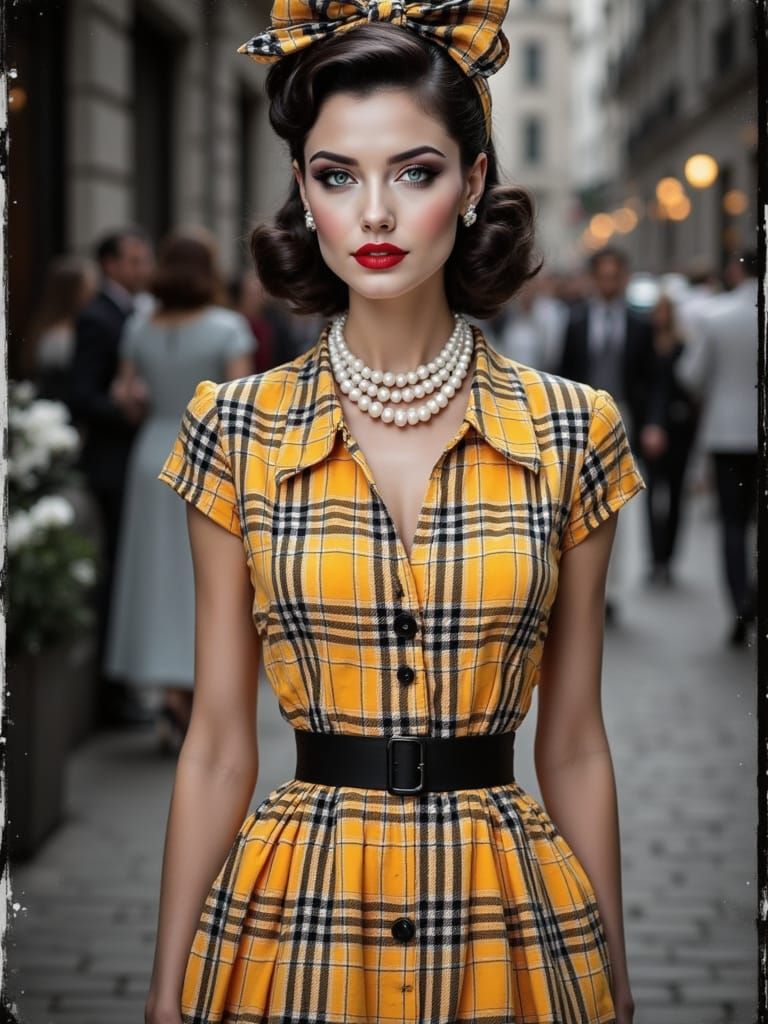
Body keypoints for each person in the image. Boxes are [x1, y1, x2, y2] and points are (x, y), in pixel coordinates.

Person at [146, 7, 645, 1023]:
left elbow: (578, 743)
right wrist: (165, 993)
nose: (374, 212)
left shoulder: (572, 429)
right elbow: (216, 745)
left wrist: (617, 979)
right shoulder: (233, 428)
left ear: (471, 183)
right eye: (338, 176)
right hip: (298, 914)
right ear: (303, 192)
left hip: (508, 917)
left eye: (413, 172)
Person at [104, 232, 254, 752]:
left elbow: (127, 396)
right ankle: (193, 695)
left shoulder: (140, 325)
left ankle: (168, 693)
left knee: (153, 577)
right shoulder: (227, 327)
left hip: (148, 454)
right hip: (205, 458)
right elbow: (240, 409)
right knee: (205, 578)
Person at [68, 226, 155, 726]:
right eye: (135, 260)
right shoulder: (99, 318)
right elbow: (82, 395)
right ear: (111, 265)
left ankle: (121, 692)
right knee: (116, 579)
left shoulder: (133, 314)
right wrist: (125, 410)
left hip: (130, 460)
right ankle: (110, 698)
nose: (144, 268)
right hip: (112, 466)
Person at [558, 246, 665, 623]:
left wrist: (654, 423)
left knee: (617, 504)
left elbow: (654, 381)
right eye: (601, 276)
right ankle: (582, 586)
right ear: (593, 278)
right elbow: (562, 374)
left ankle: (612, 590)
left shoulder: (640, 324)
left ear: (623, 278)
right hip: (584, 422)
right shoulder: (576, 321)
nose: (607, 283)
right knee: (581, 504)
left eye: (613, 276)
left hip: (625, 419)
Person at [673, 251, 758, 645]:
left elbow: (690, 373)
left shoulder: (717, 316)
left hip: (726, 433)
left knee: (733, 523)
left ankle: (740, 602)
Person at [642, 294, 699, 585]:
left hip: (678, 431)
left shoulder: (682, 344)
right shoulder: (646, 344)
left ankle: (668, 558)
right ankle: (654, 558)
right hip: (652, 429)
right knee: (653, 494)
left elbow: (691, 386)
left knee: (676, 495)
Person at [25, 254, 99, 404]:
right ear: (73, 292)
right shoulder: (60, 337)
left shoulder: (72, 327)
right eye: (90, 288)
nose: (96, 293)